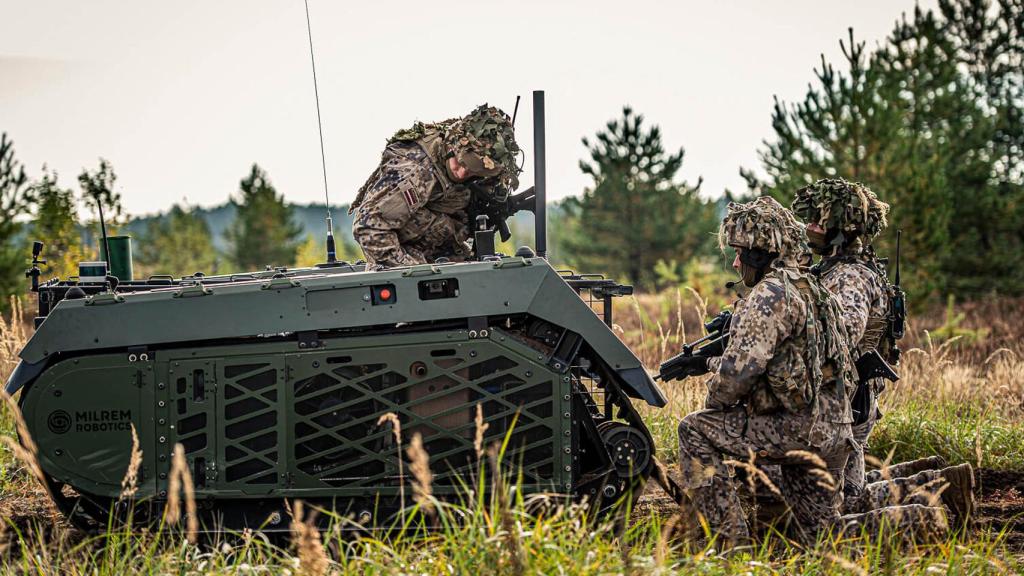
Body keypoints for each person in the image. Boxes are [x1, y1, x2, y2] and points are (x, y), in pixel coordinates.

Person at [670, 196, 856, 546]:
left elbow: (733, 380)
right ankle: (922, 509)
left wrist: (713, 388)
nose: (736, 262)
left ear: (760, 253)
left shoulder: (767, 295)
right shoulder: (815, 288)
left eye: (741, 252)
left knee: (694, 429)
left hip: (797, 430)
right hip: (835, 429)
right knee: (820, 539)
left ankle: (726, 543)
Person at [792, 178, 974, 528]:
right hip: (850, 399)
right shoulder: (837, 270)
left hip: (848, 402)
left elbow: (842, 336)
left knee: (834, 513)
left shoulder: (850, 277)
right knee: (850, 495)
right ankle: (942, 485)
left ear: (840, 227)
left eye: (817, 221)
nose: (809, 228)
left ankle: (931, 514)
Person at [349, 104, 521, 268]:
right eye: (461, 163)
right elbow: (369, 225)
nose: (461, 173)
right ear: (453, 146)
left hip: (445, 255)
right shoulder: (416, 169)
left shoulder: (488, 173)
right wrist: (413, 271)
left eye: (472, 172)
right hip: (406, 263)